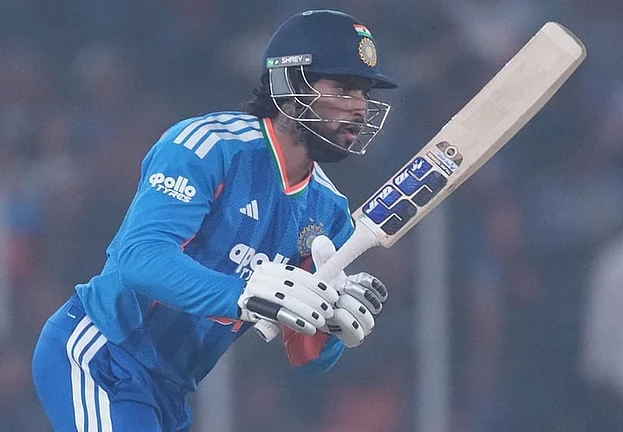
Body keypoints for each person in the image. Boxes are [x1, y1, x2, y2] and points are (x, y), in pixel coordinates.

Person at [32, 9, 394, 431]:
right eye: (344, 89)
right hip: (102, 353)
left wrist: (332, 325)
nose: (360, 108)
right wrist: (243, 294)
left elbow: (304, 354)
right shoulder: (208, 146)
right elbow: (139, 257)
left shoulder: (329, 211)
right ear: (290, 85)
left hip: (170, 393)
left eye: (364, 93)